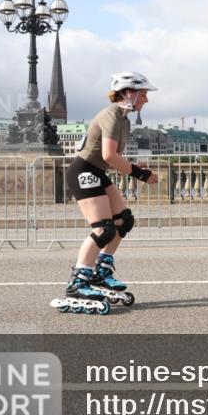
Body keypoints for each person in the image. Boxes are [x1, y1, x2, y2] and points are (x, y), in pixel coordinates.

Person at [50, 72, 158, 315]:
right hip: (83, 171)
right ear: (129, 93)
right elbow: (109, 156)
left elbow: (111, 158)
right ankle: (78, 281)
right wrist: (140, 175)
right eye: (144, 95)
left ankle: (101, 271)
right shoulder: (111, 114)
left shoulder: (124, 119)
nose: (146, 100)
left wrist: (132, 165)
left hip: (96, 171)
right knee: (103, 229)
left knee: (124, 221)